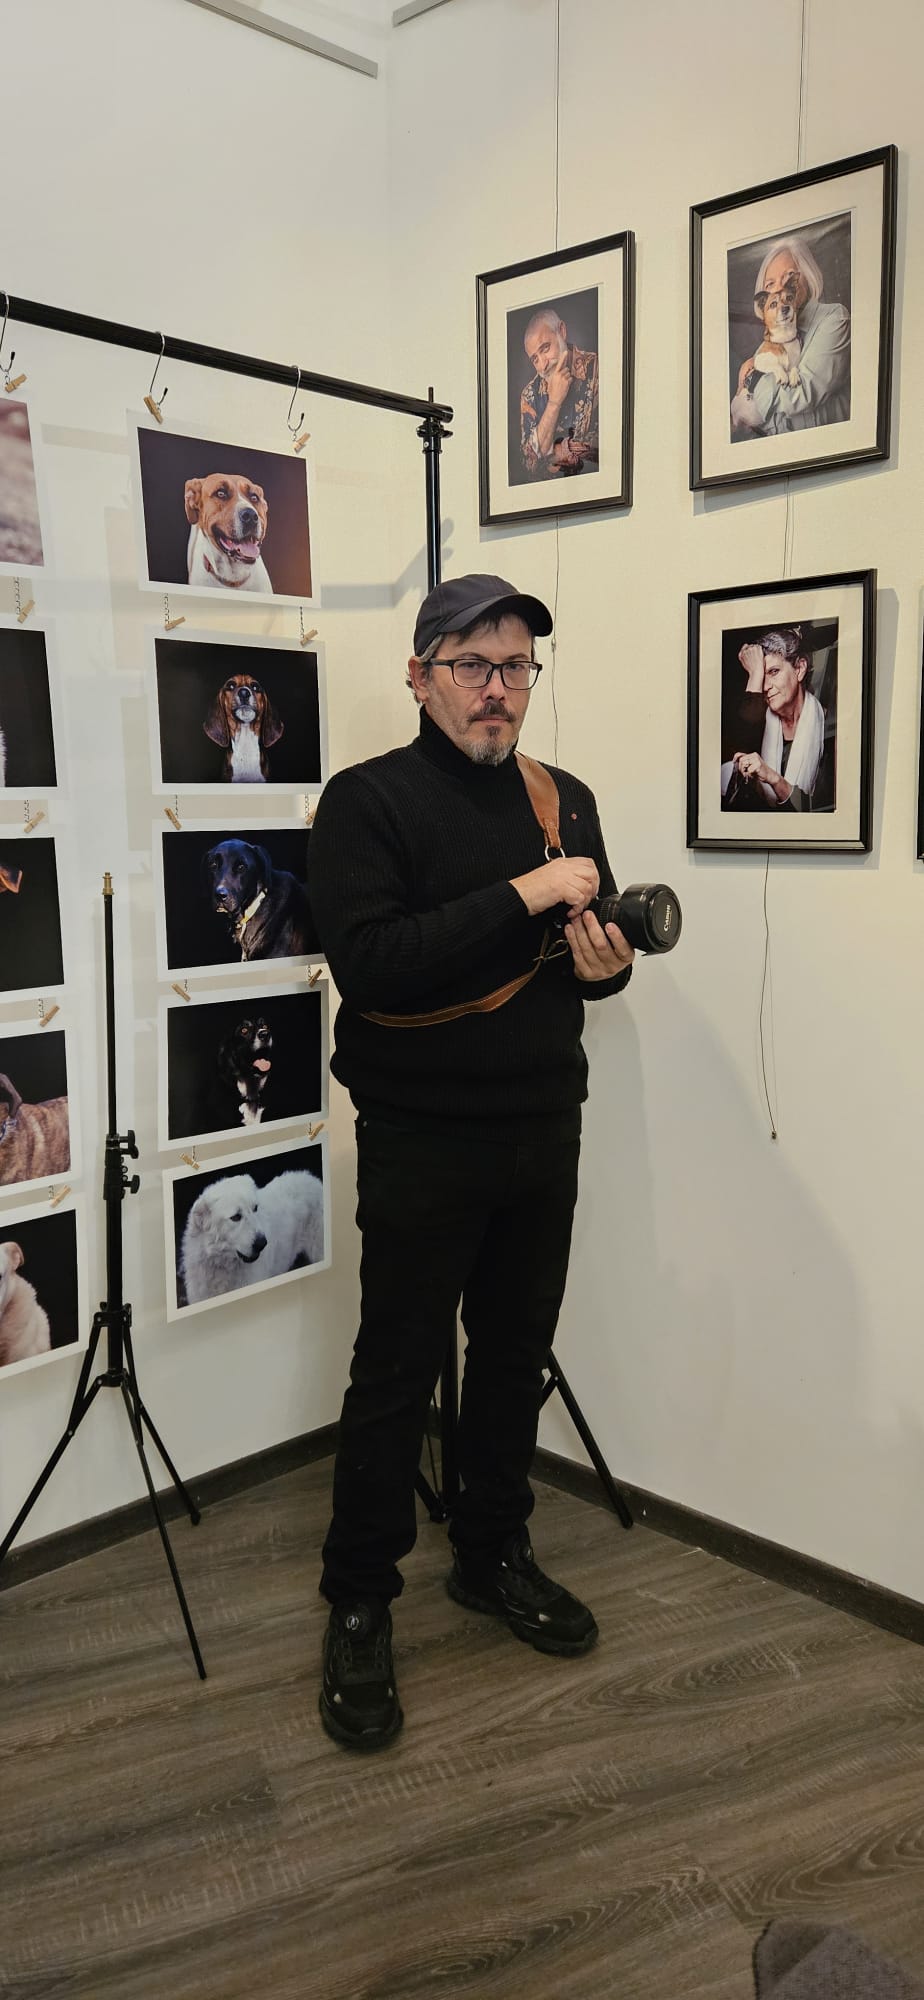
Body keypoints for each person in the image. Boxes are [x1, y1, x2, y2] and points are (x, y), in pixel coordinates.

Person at [306, 573, 634, 1751]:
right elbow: (374, 964)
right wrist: (526, 890)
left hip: (545, 1122)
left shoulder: (563, 797)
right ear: (420, 675)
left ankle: (492, 1551)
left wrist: (605, 965)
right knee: (396, 1369)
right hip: (422, 1134)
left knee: (511, 1356)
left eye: (515, 667)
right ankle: (359, 1598)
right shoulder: (366, 801)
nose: (498, 689)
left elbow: (589, 951)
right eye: (472, 665)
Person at [730, 236, 850, 437]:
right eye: (770, 284)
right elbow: (751, 417)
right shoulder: (770, 341)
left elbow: (801, 396)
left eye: (789, 276)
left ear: (807, 276)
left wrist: (755, 379)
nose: (779, 288)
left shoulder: (834, 319)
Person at [721, 625, 833, 812]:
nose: (765, 686)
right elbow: (735, 751)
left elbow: (821, 808)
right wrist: (754, 675)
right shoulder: (758, 724)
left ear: (799, 669)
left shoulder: (829, 730)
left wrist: (771, 777)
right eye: (761, 676)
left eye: (773, 672)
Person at [519, 307, 599, 479]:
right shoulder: (529, 394)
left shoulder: (599, 369)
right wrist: (554, 403)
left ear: (562, 331)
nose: (543, 365)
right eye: (535, 359)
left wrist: (553, 455)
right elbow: (529, 464)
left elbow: (609, 448)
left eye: (545, 348)